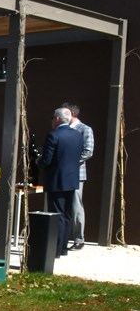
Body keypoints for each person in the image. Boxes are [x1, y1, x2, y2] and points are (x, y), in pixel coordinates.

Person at [38, 107, 83, 258]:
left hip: (57, 180)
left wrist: (38, 162)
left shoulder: (53, 135)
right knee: (67, 215)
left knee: (57, 215)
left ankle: (55, 250)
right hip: (72, 180)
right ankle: (63, 248)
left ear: (57, 119)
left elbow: (47, 159)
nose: (52, 120)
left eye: (53, 118)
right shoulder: (77, 135)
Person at [62, 102, 94, 251]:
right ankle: (61, 238)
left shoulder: (85, 129)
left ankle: (78, 239)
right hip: (62, 173)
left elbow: (88, 151)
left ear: (72, 114)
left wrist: (70, 161)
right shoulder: (63, 129)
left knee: (76, 206)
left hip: (77, 173)